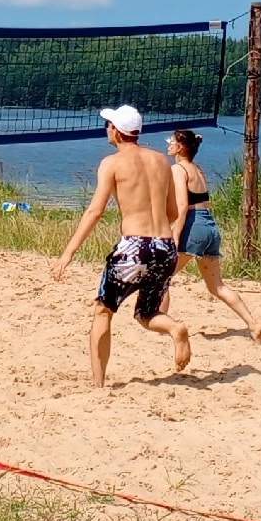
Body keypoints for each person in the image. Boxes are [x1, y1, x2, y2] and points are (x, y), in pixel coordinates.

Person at [51, 105, 191, 385]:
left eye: (109, 124)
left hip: (133, 247)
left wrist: (68, 252)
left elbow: (95, 211)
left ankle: (98, 383)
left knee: (103, 310)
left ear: (116, 131)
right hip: (165, 247)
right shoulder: (161, 161)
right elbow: (173, 212)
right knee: (147, 313)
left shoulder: (111, 163)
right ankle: (175, 328)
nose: (106, 128)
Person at [165, 129, 261, 342]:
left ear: (180, 147)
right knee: (217, 286)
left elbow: (183, 206)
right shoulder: (197, 168)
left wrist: (175, 235)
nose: (168, 144)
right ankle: (253, 324)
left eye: (171, 141)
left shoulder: (178, 169)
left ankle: (162, 326)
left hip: (193, 225)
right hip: (210, 226)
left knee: (162, 278)